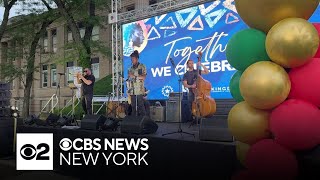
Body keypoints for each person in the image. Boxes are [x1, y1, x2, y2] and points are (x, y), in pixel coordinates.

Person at [127, 50, 147, 116]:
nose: (132, 60)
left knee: (141, 106)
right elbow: (129, 79)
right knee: (133, 107)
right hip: (132, 90)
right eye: (131, 59)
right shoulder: (130, 68)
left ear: (137, 59)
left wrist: (134, 76)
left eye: (133, 58)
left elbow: (143, 77)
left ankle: (144, 121)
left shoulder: (142, 66)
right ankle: (134, 122)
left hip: (139, 90)